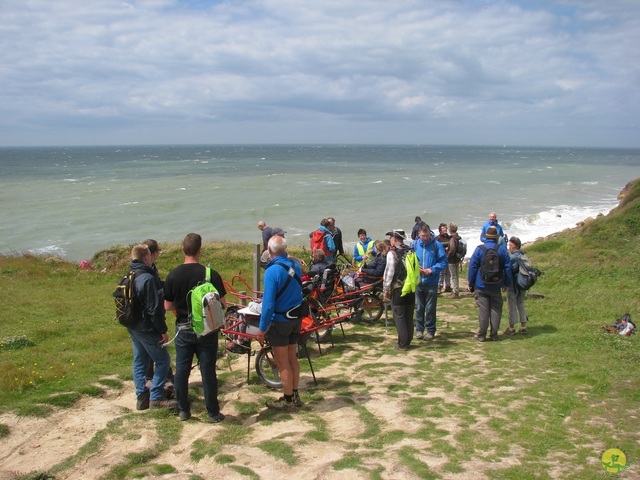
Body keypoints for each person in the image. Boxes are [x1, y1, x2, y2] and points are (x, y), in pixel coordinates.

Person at [163, 233, 227, 423]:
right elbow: (222, 303)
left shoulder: (173, 275)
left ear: (183, 250)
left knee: (182, 371)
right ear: (200, 250)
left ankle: (184, 410)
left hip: (183, 328)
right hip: (207, 329)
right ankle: (213, 413)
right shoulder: (210, 275)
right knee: (208, 371)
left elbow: (167, 306)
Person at [257, 235, 305, 411]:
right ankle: (295, 394)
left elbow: (268, 304)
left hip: (280, 321)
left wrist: (262, 329)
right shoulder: (295, 265)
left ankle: (288, 400)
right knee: (292, 359)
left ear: (269, 251)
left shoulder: (272, 271)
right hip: (295, 319)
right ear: (285, 249)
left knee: (282, 362)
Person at [126, 244, 175, 411]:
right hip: (146, 326)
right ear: (146, 257)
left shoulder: (130, 274)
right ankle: (156, 398)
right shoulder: (146, 279)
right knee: (163, 360)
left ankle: (142, 397)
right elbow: (154, 310)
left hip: (132, 324)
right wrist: (162, 330)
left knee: (140, 358)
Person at [467, 226, 513, 342]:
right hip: (497, 284)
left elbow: (472, 267)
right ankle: (494, 334)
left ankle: (481, 335)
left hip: (481, 284)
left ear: (486, 237)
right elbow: (508, 267)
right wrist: (507, 283)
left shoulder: (479, 249)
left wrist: (471, 283)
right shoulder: (502, 249)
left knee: (483, 310)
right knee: (496, 309)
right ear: (496, 237)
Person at [383, 229, 418, 350]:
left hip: (398, 288)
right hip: (410, 287)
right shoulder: (410, 251)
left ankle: (402, 343)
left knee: (399, 316)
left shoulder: (392, 253)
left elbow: (389, 273)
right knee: (408, 315)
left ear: (394, 239)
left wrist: (385, 289)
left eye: (391, 238)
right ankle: (408, 340)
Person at [411, 224, 448, 340]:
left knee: (430, 308)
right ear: (418, 234)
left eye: (426, 235)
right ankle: (419, 330)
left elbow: (443, 262)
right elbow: (408, 260)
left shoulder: (436, 245)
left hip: (431, 281)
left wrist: (431, 270)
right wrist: (416, 268)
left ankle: (430, 330)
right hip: (418, 282)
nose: (425, 238)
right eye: (423, 236)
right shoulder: (415, 245)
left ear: (429, 233)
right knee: (419, 308)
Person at [504, 236, 528, 335]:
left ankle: (511, 328)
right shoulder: (523, 256)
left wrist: (505, 284)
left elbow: (509, 271)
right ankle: (523, 326)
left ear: (516, 246)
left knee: (512, 306)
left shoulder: (513, 257)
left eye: (511, 246)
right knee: (521, 304)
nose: (509, 247)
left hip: (513, 285)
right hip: (522, 284)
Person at [446, 223, 462, 299]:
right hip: (457, 258)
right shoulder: (458, 237)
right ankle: (456, 290)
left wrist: (448, 256)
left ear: (450, 229)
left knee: (453, 276)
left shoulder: (452, 239)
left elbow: (452, 250)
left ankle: (455, 292)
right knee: (456, 275)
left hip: (452, 259)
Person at [435, 223, 451, 293]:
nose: (445, 229)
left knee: (448, 272)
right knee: (441, 272)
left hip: (448, 257)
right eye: (443, 228)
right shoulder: (438, 238)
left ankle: (448, 286)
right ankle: (439, 286)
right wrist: (444, 249)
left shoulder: (448, 237)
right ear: (440, 230)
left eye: (445, 228)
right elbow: (436, 248)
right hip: (441, 257)